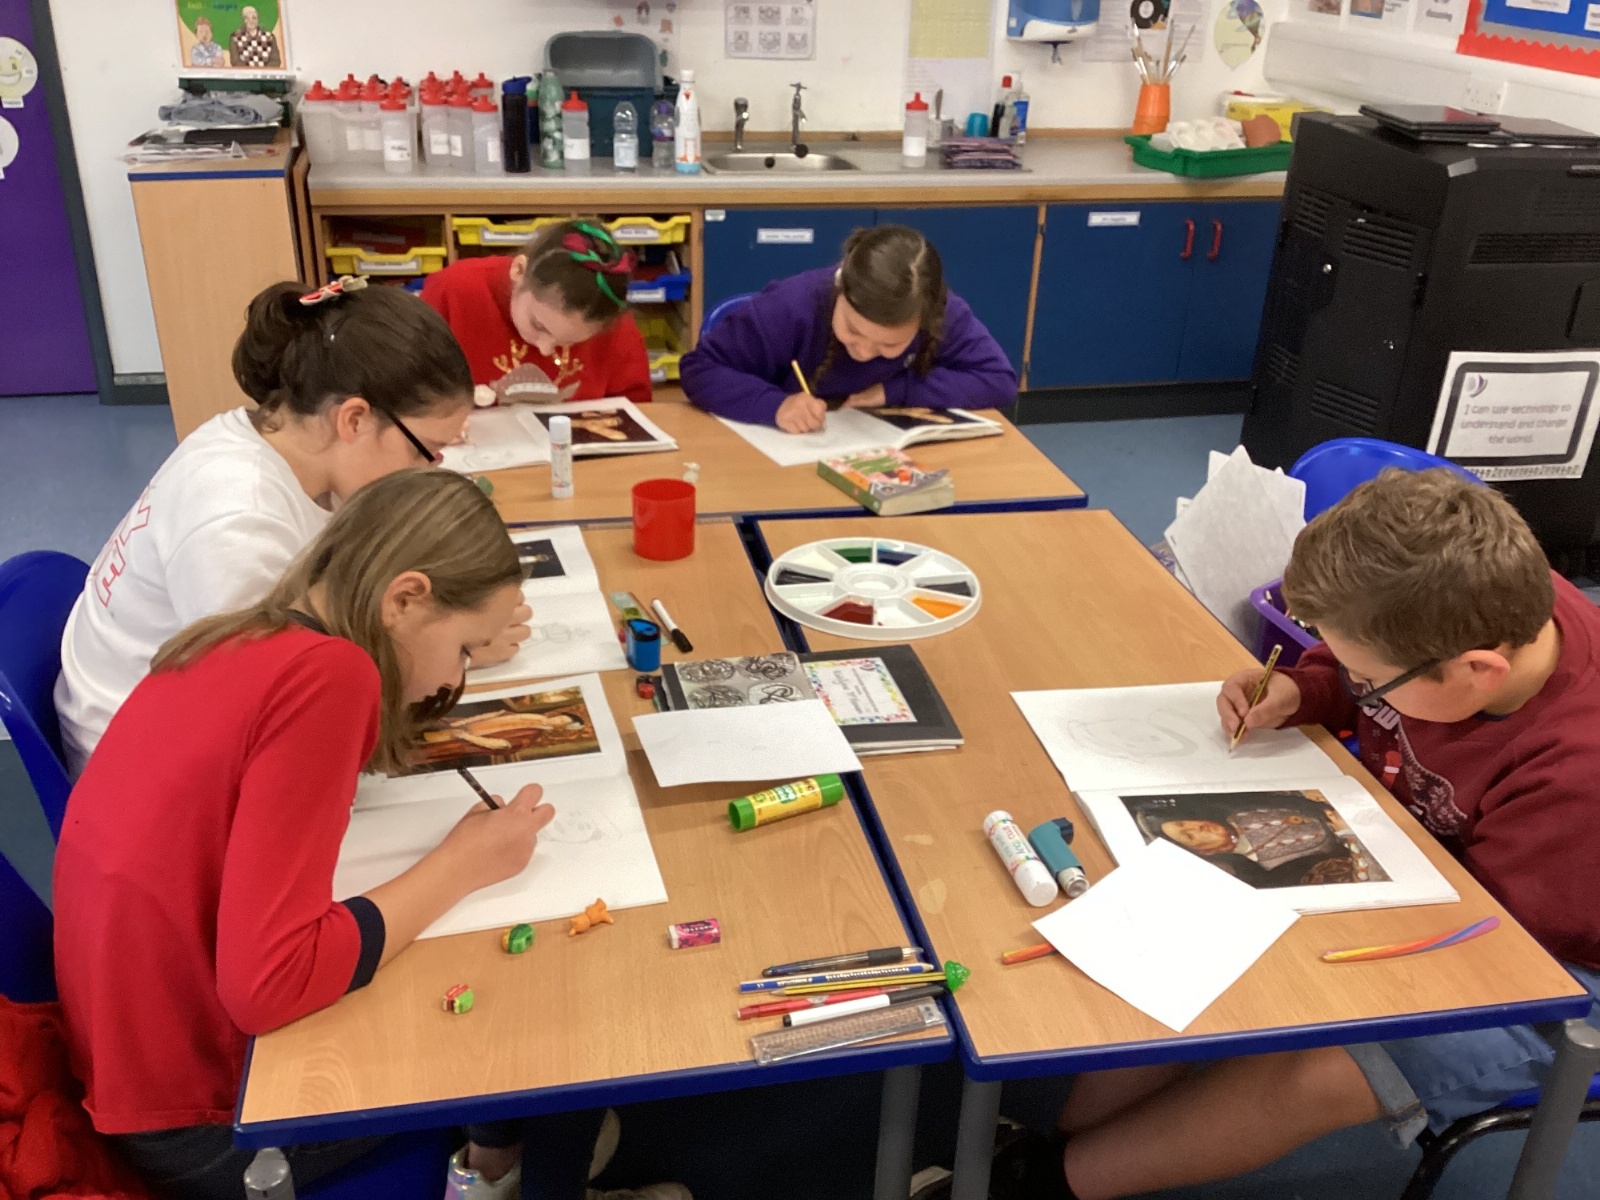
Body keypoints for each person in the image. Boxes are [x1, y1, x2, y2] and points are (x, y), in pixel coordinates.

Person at [1000, 469, 1600, 1200]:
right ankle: (1065, 1140)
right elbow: (1365, 680)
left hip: (1551, 968)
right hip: (1432, 860)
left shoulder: (1577, 775)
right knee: (1201, 920)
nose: (1356, 684)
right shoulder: (1472, 609)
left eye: (1366, 678)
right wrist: (1304, 687)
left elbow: (1495, 953)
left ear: (1480, 671)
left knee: (1315, 1070)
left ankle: (1059, 1181)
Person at [52, 470, 555, 1198]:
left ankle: (501, 1149)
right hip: (209, 1122)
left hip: (129, 1064)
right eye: (467, 649)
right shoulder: (332, 678)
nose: (457, 680)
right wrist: (462, 864)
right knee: (531, 1040)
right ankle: (506, 1166)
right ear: (404, 599)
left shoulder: (249, 632)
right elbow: (269, 985)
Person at [54, 277, 529, 775]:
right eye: (425, 450)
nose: (429, 469)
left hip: (188, 722)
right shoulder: (238, 523)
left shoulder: (290, 451)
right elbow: (269, 709)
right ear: (354, 420)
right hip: (142, 764)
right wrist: (438, 654)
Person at [679, 224, 1017, 433]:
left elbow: (998, 380)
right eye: (853, 330)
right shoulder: (789, 307)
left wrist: (894, 391)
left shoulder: (940, 312)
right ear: (841, 286)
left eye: (889, 346)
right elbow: (700, 368)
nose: (864, 352)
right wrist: (775, 406)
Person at [421, 219, 653, 407]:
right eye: (538, 325)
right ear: (519, 270)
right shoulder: (452, 292)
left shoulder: (610, 319)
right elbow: (410, 394)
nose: (545, 349)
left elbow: (634, 410)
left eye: (570, 342)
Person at [227, 5, 281, 69]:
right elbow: (235, 61)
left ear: (258, 19)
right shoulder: (235, 37)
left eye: (254, 18)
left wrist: (263, 72)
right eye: (247, 18)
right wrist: (250, 72)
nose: (251, 21)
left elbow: (275, 61)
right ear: (243, 20)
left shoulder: (270, 37)